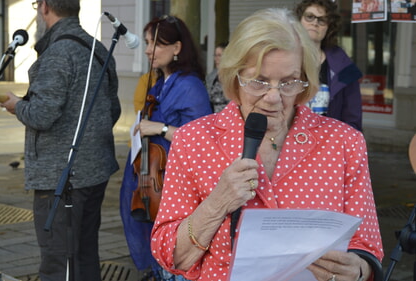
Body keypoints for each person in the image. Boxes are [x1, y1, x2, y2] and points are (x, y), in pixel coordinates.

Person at [150, 8, 383, 281]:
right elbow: (170, 255)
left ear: (305, 81)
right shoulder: (194, 140)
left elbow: (367, 248)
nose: (273, 97)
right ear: (235, 78)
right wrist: (216, 204)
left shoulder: (344, 143)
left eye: (288, 83)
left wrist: (357, 270)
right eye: (259, 81)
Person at [0, 0, 120, 280]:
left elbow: (41, 114)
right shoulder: (98, 48)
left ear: (44, 8)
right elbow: (113, 109)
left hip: (61, 178)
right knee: (85, 255)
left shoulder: (57, 53)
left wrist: (17, 105)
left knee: (57, 262)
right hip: (96, 171)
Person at [119, 15, 212, 280]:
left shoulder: (190, 86)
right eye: (148, 43)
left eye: (157, 44)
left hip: (175, 184)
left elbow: (201, 141)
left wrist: (159, 129)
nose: (148, 50)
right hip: (154, 180)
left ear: (177, 48)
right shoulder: (160, 83)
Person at [295, 0, 363, 131]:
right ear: (299, 21)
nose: (315, 23)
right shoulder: (281, 59)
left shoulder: (344, 67)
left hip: (328, 145)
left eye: (322, 20)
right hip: (288, 143)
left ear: (329, 27)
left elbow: (352, 120)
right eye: (309, 17)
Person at [205, 42, 229, 113]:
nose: (216, 59)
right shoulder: (211, 76)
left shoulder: (234, 77)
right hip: (212, 116)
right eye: (215, 55)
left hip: (228, 116)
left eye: (219, 55)